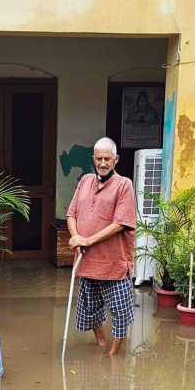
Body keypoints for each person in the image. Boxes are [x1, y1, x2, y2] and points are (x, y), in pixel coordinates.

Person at [66, 137, 137, 356]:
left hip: (114, 263)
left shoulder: (124, 184)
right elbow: (71, 214)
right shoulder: (85, 180)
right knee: (91, 309)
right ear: (93, 159)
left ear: (116, 160)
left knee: (120, 311)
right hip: (88, 261)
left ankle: (113, 355)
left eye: (108, 158)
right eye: (99, 158)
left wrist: (87, 240)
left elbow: (119, 224)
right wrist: (76, 236)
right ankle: (101, 345)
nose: (103, 163)